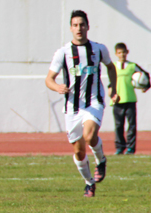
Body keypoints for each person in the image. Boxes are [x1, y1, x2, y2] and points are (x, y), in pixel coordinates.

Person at [45, 10, 118, 198]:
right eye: (75, 25)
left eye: (82, 24)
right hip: (72, 107)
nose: (79, 28)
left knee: (89, 135)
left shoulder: (99, 49)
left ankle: (101, 160)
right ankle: (89, 182)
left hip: (94, 101)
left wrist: (113, 88)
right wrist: (57, 87)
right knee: (78, 151)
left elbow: (111, 67)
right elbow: (49, 79)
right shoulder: (63, 53)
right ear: (71, 28)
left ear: (88, 26)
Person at [111, 42, 147, 155]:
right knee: (118, 126)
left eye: (124, 52)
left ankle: (131, 148)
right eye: (119, 53)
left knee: (131, 125)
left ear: (127, 52)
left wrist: (145, 85)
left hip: (130, 99)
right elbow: (110, 82)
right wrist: (112, 94)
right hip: (118, 100)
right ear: (116, 54)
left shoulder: (132, 66)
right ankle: (120, 147)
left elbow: (145, 74)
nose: (122, 55)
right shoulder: (113, 66)